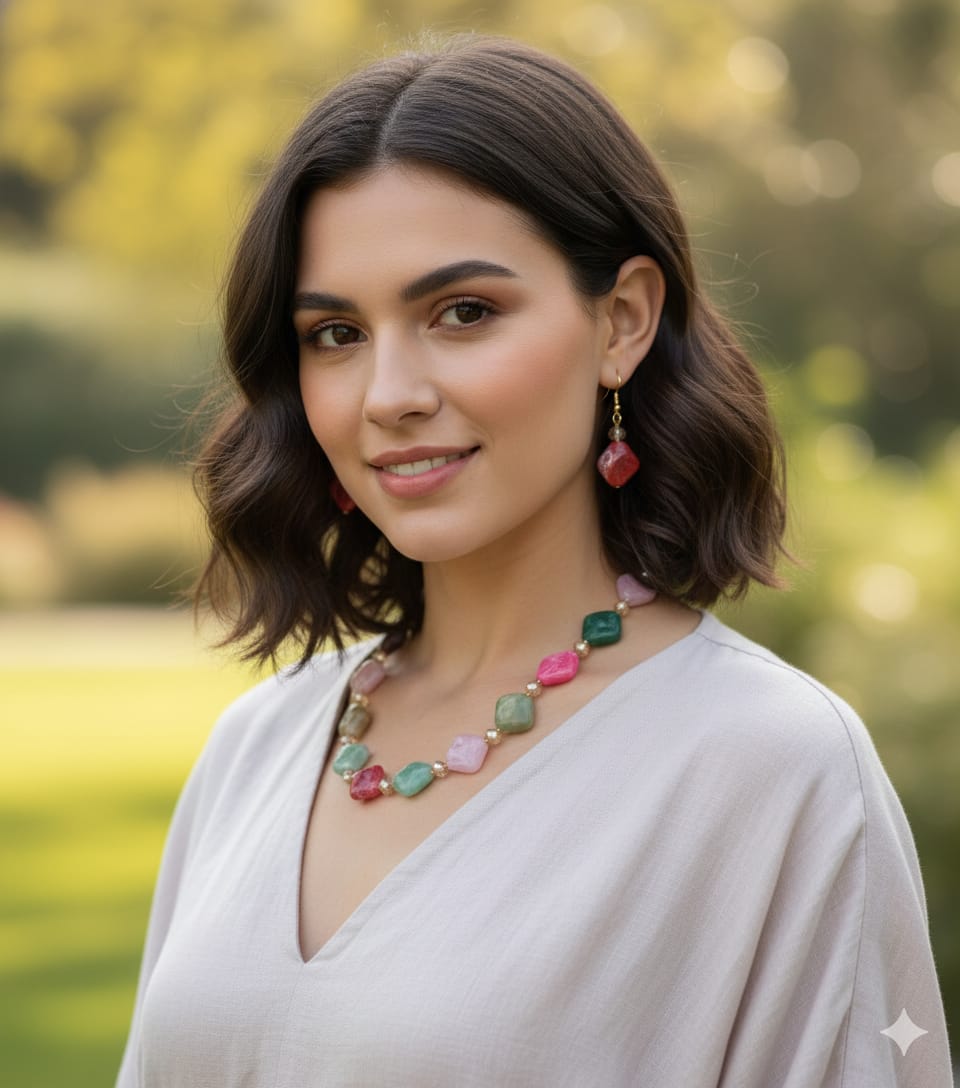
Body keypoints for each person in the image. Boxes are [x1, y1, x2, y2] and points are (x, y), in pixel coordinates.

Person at [117, 34, 952, 1087]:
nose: (389, 393)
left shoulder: (770, 767)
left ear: (623, 319)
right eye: (335, 333)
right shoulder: (259, 743)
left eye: (462, 312)